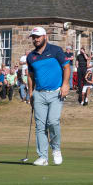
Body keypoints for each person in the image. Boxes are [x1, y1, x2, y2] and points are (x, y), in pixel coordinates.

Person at [25, 26, 70, 166]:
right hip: (39, 94)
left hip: (56, 92)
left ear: (45, 36)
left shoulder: (56, 51)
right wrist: (31, 93)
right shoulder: (30, 57)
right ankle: (43, 157)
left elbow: (66, 67)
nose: (36, 39)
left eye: (38, 36)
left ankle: (56, 149)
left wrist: (65, 85)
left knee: (53, 122)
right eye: (34, 37)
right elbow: (31, 76)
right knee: (40, 126)